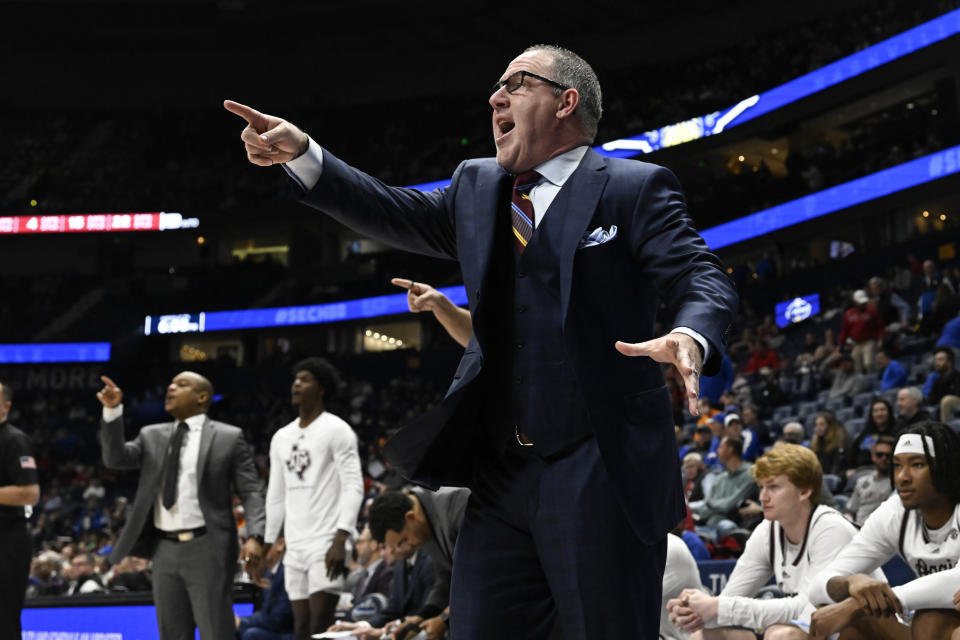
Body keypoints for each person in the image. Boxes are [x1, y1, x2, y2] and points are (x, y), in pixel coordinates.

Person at [226, 42, 737, 639]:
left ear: (566, 102)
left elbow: (697, 274)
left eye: (517, 84)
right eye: (497, 87)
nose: (495, 97)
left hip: (598, 463)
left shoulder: (634, 186)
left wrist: (689, 333)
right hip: (499, 476)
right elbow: (391, 209)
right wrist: (307, 155)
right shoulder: (478, 185)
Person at [96, 373, 266, 639]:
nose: (171, 388)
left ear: (202, 397)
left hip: (208, 546)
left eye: (182, 385)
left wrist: (256, 535)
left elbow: (251, 491)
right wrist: (112, 410)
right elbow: (115, 458)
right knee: (172, 633)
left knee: (215, 631)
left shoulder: (228, 437)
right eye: (171, 384)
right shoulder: (151, 435)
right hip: (163, 549)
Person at [667, 443, 885, 639]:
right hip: (816, 631)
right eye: (761, 487)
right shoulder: (767, 531)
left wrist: (718, 607)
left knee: (783, 636)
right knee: (705, 636)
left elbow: (808, 609)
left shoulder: (832, 529)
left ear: (805, 491)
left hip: (868, 631)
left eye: (773, 487)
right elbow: (730, 600)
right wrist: (696, 613)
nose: (763, 497)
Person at [808, 423, 960, 639]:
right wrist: (850, 583)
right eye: (897, 465)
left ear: (946, 467)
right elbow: (818, 586)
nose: (902, 477)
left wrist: (856, 605)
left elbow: (956, 580)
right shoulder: (894, 512)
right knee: (849, 622)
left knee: (931, 621)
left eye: (917, 465)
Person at [265, 357, 364, 639]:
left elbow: (354, 485)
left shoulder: (337, 430)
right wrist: (269, 543)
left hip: (326, 540)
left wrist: (341, 538)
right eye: (295, 378)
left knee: (319, 627)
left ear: (321, 388)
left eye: (305, 379)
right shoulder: (281, 437)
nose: (297, 383)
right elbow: (275, 495)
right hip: (295, 545)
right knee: (299, 628)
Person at [368, 487, 469, 639]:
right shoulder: (422, 526)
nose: (406, 548)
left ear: (410, 517)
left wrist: (444, 619)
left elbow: (481, 576)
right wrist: (422, 616)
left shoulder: (455, 505)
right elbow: (445, 579)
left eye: (403, 541)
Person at [0, 381, 40, 638]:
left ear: (5, 406)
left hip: (7, 537)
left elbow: (29, 493)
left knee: (3, 618)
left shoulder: (14, 440)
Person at [691, 436, 756, 539]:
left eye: (720, 447)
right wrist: (713, 504)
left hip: (732, 529)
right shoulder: (721, 478)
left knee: (726, 526)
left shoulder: (750, 474)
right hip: (708, 525)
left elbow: (728, 506)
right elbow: (704, 509)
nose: (717, 451)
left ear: (730, 450)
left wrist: (710, 503)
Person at [845, 435, 895, 526]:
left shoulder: (897, 485)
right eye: (879, 455)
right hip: (856, 528)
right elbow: (850, 511)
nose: (883, 458)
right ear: (873, 456)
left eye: (888, 456)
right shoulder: (861, 481)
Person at [838, 289, 884, 373]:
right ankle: (862, 382)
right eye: (860, 302)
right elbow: (845, 330)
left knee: (869, 363)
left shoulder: (872, 312)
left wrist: (880, 339)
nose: (863, 304)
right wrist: (841, 343)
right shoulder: (849, 314)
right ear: (855, 302)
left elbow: (880, 326)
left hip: (869, 341)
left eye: (864, 302)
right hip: (856, 344)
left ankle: (876, 380)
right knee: (856, 365)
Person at [845, 397, 897, 472]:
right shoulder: (866, 432)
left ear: (889, 412)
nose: (879, 414)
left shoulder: (897, 431)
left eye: (882, 410)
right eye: (875, 411)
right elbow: (853, 451)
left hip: (885, 470)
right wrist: (850, 468)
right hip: (860, 469)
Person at [925, 347, 960, 422]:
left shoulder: (957, 377)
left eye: (940, 359)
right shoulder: (937, 380)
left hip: (955, 404)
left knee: (946, 400)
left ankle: (946, 429)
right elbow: (932, 399)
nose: (936, 363)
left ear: (949, 362)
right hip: (941, 406)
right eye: (936, 360)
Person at [809, 412, 849, 477]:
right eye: (816, 425)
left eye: (821, 424)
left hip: (835, 476)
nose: (818, 428)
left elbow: (837, 465)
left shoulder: (840, 440)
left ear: (830, 425)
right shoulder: (816, 443)